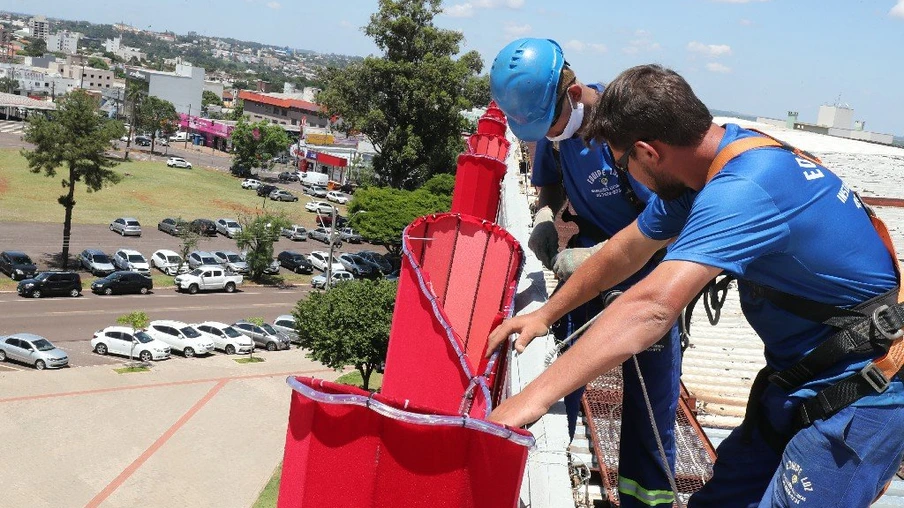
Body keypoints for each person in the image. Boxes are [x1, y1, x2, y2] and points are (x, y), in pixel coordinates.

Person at [487, 63, 904, 507]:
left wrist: (529, 400)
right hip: (799, 378)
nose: (626, 173)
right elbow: (626, 251)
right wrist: (543, 315)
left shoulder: (744, 188)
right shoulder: (713, 163)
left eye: (623, 162)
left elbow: (651, 307)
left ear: (648, 153)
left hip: (859, 394)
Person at [490, 39, 682, 508]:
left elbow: (671, 222)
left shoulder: (629, 134)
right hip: (589, 264)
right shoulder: (555, 132)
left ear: (574, 95)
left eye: (549, 126)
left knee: (648, 409)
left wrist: (598, 259)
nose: (547, 137)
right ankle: (547, 459)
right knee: (564, 376)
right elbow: (550, 182)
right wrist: (543, 214)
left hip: (648, 273)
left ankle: (646, 501)